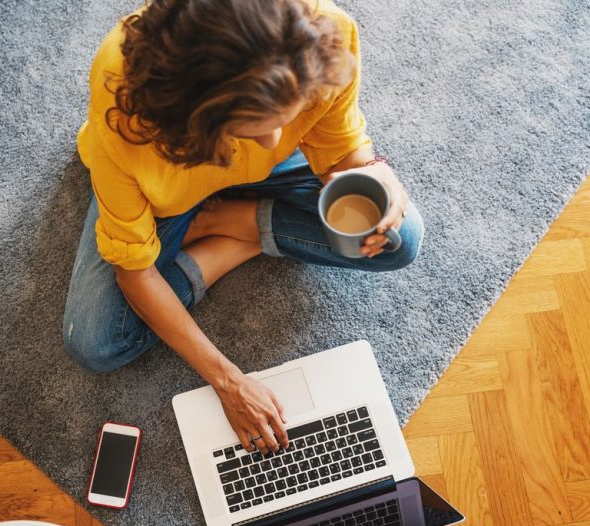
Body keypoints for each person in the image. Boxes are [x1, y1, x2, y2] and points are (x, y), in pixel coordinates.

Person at [64, 0, 424, 456]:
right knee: (96, 343)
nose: (273, 143)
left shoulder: (322, 34)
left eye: (286, 116)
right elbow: (133, 272)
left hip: (229, 168)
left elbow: (340, 152)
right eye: (252, 130)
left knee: (397, 238)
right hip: (165, 185)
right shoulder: (130, 113)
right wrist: (229, 381)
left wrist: (375, 172)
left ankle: (234, 224)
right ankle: (243, 234)